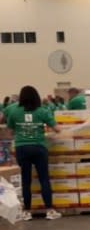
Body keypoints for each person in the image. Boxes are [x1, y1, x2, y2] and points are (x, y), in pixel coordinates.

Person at [7, 85, 63, 221]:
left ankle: (27, 211)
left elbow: (10, 132)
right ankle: (49, 210)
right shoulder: (42, 111)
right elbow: (57, 129)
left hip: (22, 148)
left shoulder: (13, 111)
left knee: (26, 180)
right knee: (44, 178)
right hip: (39, 147)